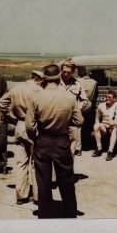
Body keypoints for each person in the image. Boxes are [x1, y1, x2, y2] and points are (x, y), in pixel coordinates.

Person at [26, 64, 84, 218]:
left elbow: (30, 126)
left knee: (43, 182)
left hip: (43, 140)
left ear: (44, 78)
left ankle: (44, 215)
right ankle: (70, 214)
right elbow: (79, 121)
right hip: (61, 140)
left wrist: (36, 139)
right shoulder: (69, 97)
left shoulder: (36, 97)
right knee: (66, 180)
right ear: (59, 77)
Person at [0, 70, 43, 205]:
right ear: (40, 79)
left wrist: (12, 117)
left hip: (20, 125)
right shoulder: (39, 91)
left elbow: (1, 103)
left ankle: (21, 195)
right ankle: (37, 196)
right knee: (35, 163)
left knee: (21, 162)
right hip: (34, 127)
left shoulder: (17, 89)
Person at [60, 58, 89, 156]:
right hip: (57, 119)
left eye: (68, 72)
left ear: (72, 72)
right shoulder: (55, 82)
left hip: (72, 120)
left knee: (72, 147)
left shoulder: (78, 84)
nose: (65, 74)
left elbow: (85, 100)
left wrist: (77, 108)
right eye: (64, 71)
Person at [92, 89, 117, 161]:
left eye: (109, 97)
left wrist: (114, 123)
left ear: (114, 99)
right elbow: (97, 118)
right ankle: (99, 148)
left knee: (115, 128)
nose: (107, 98)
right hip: (104, 127)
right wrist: (98, 125)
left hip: (113, 126)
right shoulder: (101, 106)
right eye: (106, 97)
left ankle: (110, 151)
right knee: (96, 126)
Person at [77, 66, 98, 150]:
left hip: (78, 104)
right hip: (88, 104)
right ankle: (86, 143)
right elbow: (94, 96)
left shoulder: (77, 81)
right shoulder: (94, 82)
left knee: (78, 125)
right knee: (87, 124)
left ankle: (78, 146)